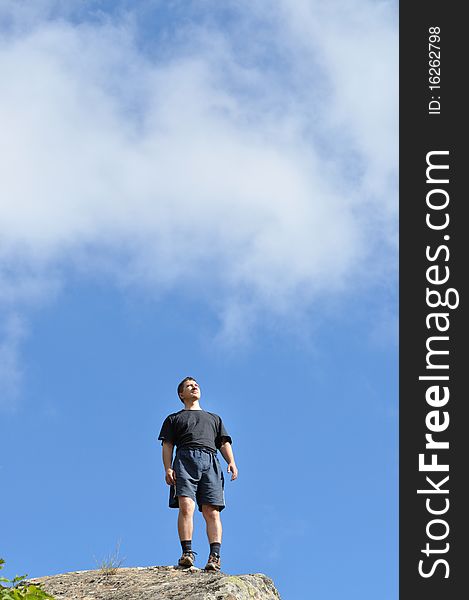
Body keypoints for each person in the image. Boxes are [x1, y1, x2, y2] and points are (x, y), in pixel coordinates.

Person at [158, 377, 238, 572]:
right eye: (189, 386)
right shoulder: (173, 419)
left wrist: (231, 462)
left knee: (212, 511)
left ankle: (215, 557)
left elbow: (223, 443)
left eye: (196, 385)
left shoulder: (214, 418)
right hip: (185, 459)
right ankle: (187, 553)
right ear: (181, 394)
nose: (194, 387)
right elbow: (167, 445)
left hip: (210, 460)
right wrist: (167, 468)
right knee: (186, 506)